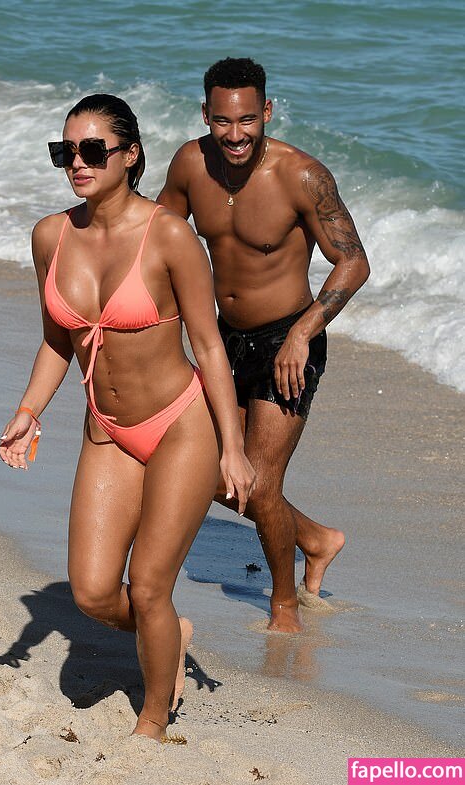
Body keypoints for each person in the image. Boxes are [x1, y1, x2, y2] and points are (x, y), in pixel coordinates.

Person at [0, 94, 255, 741]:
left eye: (92, 150)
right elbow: (57, 341)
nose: (77, 163)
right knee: (90, 593)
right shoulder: (51, 236)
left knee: (147, 585)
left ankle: (152, 723)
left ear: (130, 154)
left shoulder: (169, 235)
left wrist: (233, 447)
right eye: (65, 152)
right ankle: (168, 634)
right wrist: (28, 410)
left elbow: (210, 346)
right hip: (106, 429)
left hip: (179, 424)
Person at [158, 57, 370, 633]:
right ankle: (316, 539)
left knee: (261, 483)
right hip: (222, 338)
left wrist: (303, 333)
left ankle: (283, 604)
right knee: (212, 475)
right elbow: (157, 240)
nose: (235, 134)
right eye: (223, 121)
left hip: (287, 342)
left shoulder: (302, 176)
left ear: (267, 112)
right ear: (206, 114)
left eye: (247, 120)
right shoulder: (189, 164)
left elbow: (353, 262)